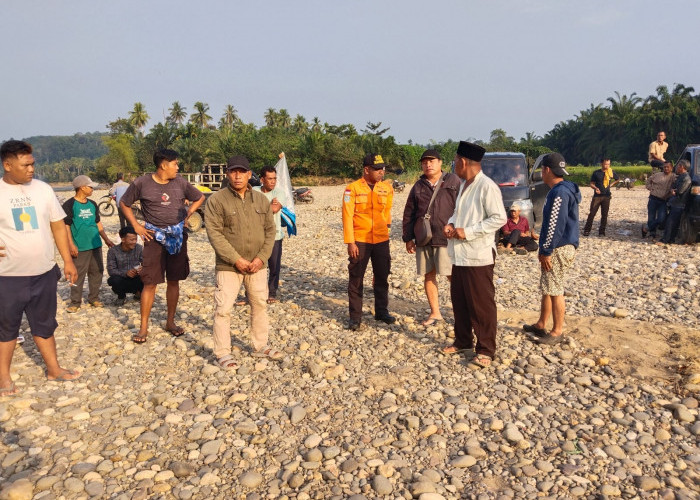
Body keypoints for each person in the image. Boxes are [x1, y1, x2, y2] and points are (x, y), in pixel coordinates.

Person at [0, 140, 81, 396]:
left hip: (44, 272)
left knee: (45, 324)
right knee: (7, 327)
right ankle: (3, 378)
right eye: (25, 165)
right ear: (7, 165)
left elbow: (57, 224)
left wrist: (67, 260)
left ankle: (53, 368)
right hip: (7, 275)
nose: (31, 169)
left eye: (33, 163)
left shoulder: (43, 190)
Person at [205, 155, 282, 370]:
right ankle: (223, 352)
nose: (237, 176)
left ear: (249, 175)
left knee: (259, 304)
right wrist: (236, 259)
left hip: (257, 265)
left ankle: (260, 345)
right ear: (227, 174)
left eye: (242, 172)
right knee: (223, 309)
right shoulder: (217, 200)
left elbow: (270, 231)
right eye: (233, 171)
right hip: (228, 265)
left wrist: (261, 258)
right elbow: (215, 234)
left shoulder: (260, 200)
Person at [119, 148, 204, 343]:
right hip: (152, 237)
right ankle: (143, 328)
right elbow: (124, 203)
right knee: (150, 282)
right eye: (175, 163)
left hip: (177, 237)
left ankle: (170, 322)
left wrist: (188, 214)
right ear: (163, 165)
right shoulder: (141, 183)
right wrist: (136, 226)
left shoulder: (180, 182)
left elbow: (199, 197)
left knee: (174, 280)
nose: (178, 167)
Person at [443, 141, 506, 369]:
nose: (454, 165)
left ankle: (486, 349)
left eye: (454, 161)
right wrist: (451, 224)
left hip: (477, 255)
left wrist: (467, 232)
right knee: (459, 301)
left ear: (462, 162)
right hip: (459, 254)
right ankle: (463, 341)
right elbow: (458, 213)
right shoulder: (463, 184)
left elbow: (499, 218)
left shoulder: (486, 186)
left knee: (481, 304)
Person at [522, 153, 581, 345]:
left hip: (558, 247)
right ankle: (541, 324)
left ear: (546, 170)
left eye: (542, 170)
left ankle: (557, 331)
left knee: (555, 289)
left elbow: (555, 224)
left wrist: (546, 250)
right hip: (562, 245)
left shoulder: (558, 193)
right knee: (548, 287)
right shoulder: (565, 189)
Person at [402, 149, 460, 326]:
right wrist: (408, 237)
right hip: (424, 238)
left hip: (446, 239)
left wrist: (459, 230)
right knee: (429, 275)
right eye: (425, 162)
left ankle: (461, 314)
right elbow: (409, 213)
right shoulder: (418, 186)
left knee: (453, 277)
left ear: (441, 162)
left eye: (432, 161)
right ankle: (435, 313)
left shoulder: (453, 181)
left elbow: (462, 208)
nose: (428, 164)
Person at [342, 153, 395, 331]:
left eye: (383, 168)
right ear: (366, 170)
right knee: (356, 278)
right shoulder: (352, 189)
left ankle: (381, 311)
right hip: (360, 240)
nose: (382, 172)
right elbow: (347, 216)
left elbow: (387, 212)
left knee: (382, 276)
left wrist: (386, 230)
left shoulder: (387, 188)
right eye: (378, 169)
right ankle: (355, 318)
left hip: (381, 240)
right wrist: (351, 242)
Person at [63, 175, 115, 312]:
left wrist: (106, 239)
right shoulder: (69, 205)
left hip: (95, 244)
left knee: (97, 272)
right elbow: (66, 226)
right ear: (82, 187)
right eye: (90, 186)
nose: (92, 189)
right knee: (77, 274)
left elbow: (97, 223)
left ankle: (94, 298)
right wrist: (71, 244)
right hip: (80, 246)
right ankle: (75, 302)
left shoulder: (92, 204)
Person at [253, 165, 288, 303]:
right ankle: (252, 293)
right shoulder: (254, 191)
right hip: (256, 235)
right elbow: (249, 209)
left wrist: (259, 208)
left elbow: (275, 208)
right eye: (270, 179)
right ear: (262, 179)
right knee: (255, 265)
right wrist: (268, 205)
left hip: (275, 236)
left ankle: (272, 292)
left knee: (274, 265)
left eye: (275, 179)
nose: (273, 182)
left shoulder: (279, 193)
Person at [107, 225, 144, 305]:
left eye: (135, 239)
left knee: (148, 275)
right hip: (122, 278)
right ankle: (121, 296)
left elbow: (147, 263)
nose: (134, 242)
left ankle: (139, 293)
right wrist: (125, 273)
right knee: (113, 280)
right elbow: (111, 270)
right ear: (123, 239)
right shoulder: (113, 251)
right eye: (131, 240)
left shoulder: (139, 248)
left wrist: (142, 269)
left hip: (136, 278)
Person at [658, 160, 692, 245]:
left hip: (679, 203)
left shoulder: (686, 178)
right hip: (675, 202)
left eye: (678, 166)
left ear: (682, 167)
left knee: (671, 222)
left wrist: (674, 191)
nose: (676, 168)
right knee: (673, 222)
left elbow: (680, 190)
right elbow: (674, 187)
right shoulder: (681, 176)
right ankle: (671, 239)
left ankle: (665, 240)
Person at [583, 158, 619, 237]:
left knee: (604, 214)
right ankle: (587, 230)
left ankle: (602, 232)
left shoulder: (610, 172)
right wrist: (595, 188)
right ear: (601, 164)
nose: (607, 166)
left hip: (607, 196)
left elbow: (617, 179)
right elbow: (591, 184)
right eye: (605, 164)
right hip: (597, 196)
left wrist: (611, 185)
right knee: (592, 213)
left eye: (608, 164)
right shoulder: (596, 173)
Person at [643, 161, 675, 239]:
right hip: (653, 198)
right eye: (664, 167)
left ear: (671, 168)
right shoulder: (657, 175)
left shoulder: (673, 177)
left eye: (668, 167)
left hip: (663, 200)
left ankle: (646, 228)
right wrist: (650, 188)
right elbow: (648, 181)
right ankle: (652, 233)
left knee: (661, 219)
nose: (666, 168)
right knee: (651, 217)